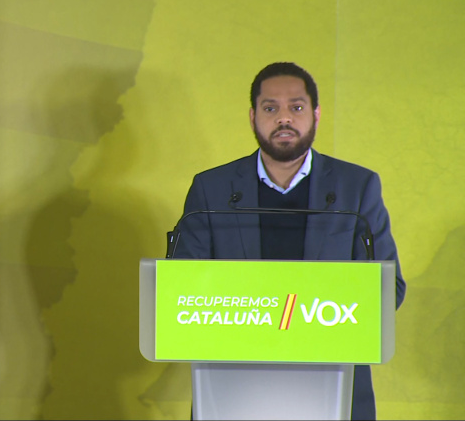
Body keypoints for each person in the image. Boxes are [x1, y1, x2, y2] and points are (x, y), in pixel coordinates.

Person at [172, 62, 406, 420]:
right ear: (253, 117)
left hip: (333, 380)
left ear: (316, 115)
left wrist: (316, 315)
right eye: (270, 108)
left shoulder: (357, 187)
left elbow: (389, 287)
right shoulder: (212, 189)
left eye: (296, 107)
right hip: (235, 385)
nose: (284, 118)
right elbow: (183, 288)